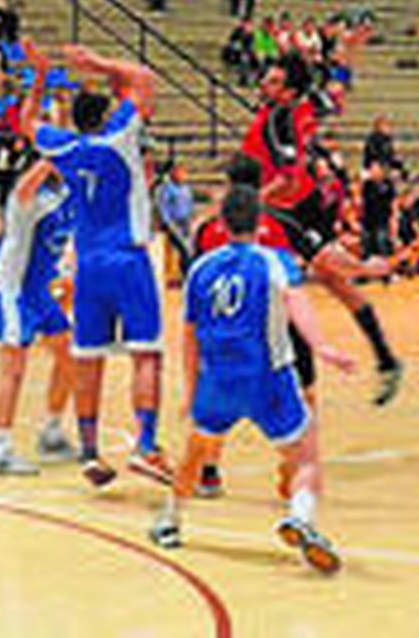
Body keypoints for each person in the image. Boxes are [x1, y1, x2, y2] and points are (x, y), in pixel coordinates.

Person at [148, 185, 355, 574]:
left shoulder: (200, 269)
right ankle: (301, 518)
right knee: (306, 455)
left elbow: (189, 336)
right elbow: (297, 302)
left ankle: (170, 520)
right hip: (268, 378)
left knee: (196, 451)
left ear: (222, 224)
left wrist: (191, 390)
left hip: (218, 379)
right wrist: (322, 346)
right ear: (260, 222)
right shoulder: (273, 261)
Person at [21, 40, 168, 488]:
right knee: (146, 354)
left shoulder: (65, 148)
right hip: (128, 257)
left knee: (89, 360)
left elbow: (27, 122)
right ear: (108, 113)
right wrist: (99, 62)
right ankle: (145, 447)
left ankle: (88, 452)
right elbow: (145, 79)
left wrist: (42, 76)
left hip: (88, 267)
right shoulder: (120, 135)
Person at [240, 64, 404, 406]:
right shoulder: (288, 111)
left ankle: (373, 268)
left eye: (273, 81)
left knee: (328, 274)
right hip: (295, 205)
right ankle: (386, 358)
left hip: (294, 209)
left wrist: (250, 203)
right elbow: (325, 97)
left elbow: (288, 179)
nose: (263, 84)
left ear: (287, 91)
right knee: (331, 280)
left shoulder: (279, 118)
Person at [0, 159, 78, 475]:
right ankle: (1, 448)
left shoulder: (68, 198)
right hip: (11, 291)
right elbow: (25, 186)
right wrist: (50, 154)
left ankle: (51, 431)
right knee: (14, 367)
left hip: (39, 292)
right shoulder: (26, 202)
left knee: (69, 355)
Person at [155, 162, 195, 285]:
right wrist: (169, 225)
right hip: (172, 224)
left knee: (190, 247)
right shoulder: (166, 189)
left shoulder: (186, 188)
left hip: (185, 222)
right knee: (184, 248)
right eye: (179, 172)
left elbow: (189, 205)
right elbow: (163, 209)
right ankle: (187, 274)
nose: (183, 175)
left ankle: (188, 274)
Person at [359, 162, 396, 263]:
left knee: (382, 243)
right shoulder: (367, 185)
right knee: (366, 244)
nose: (373, 172)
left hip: (382, 220)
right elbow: (361, 202)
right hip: (368, 220)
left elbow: (393, 203)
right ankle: (364, 271)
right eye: (371, 170)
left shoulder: (388, 185)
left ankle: (387, 270)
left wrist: (393, 220)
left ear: (381, 171)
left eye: (375, 169)